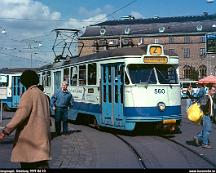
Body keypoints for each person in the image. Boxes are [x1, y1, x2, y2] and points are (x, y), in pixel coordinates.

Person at [0, 70, 51, 168]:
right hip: (42, 140)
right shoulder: (42, 95)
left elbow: (20, 115)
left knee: (29, 165)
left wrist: (5, 131)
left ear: (24, 81)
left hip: (30, 142)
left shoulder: (28, 94)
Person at [193, 84, 216, 149]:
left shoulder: (211, 97)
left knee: (206, 129)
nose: (214, 92)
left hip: (208, 116)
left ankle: (197, 137)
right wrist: (204, 112)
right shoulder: (206, 96)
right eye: (213, 90)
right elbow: (202, 105)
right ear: (209, 90)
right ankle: (204, 143)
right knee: (208, 130)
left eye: (215, 91)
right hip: (206, 115)